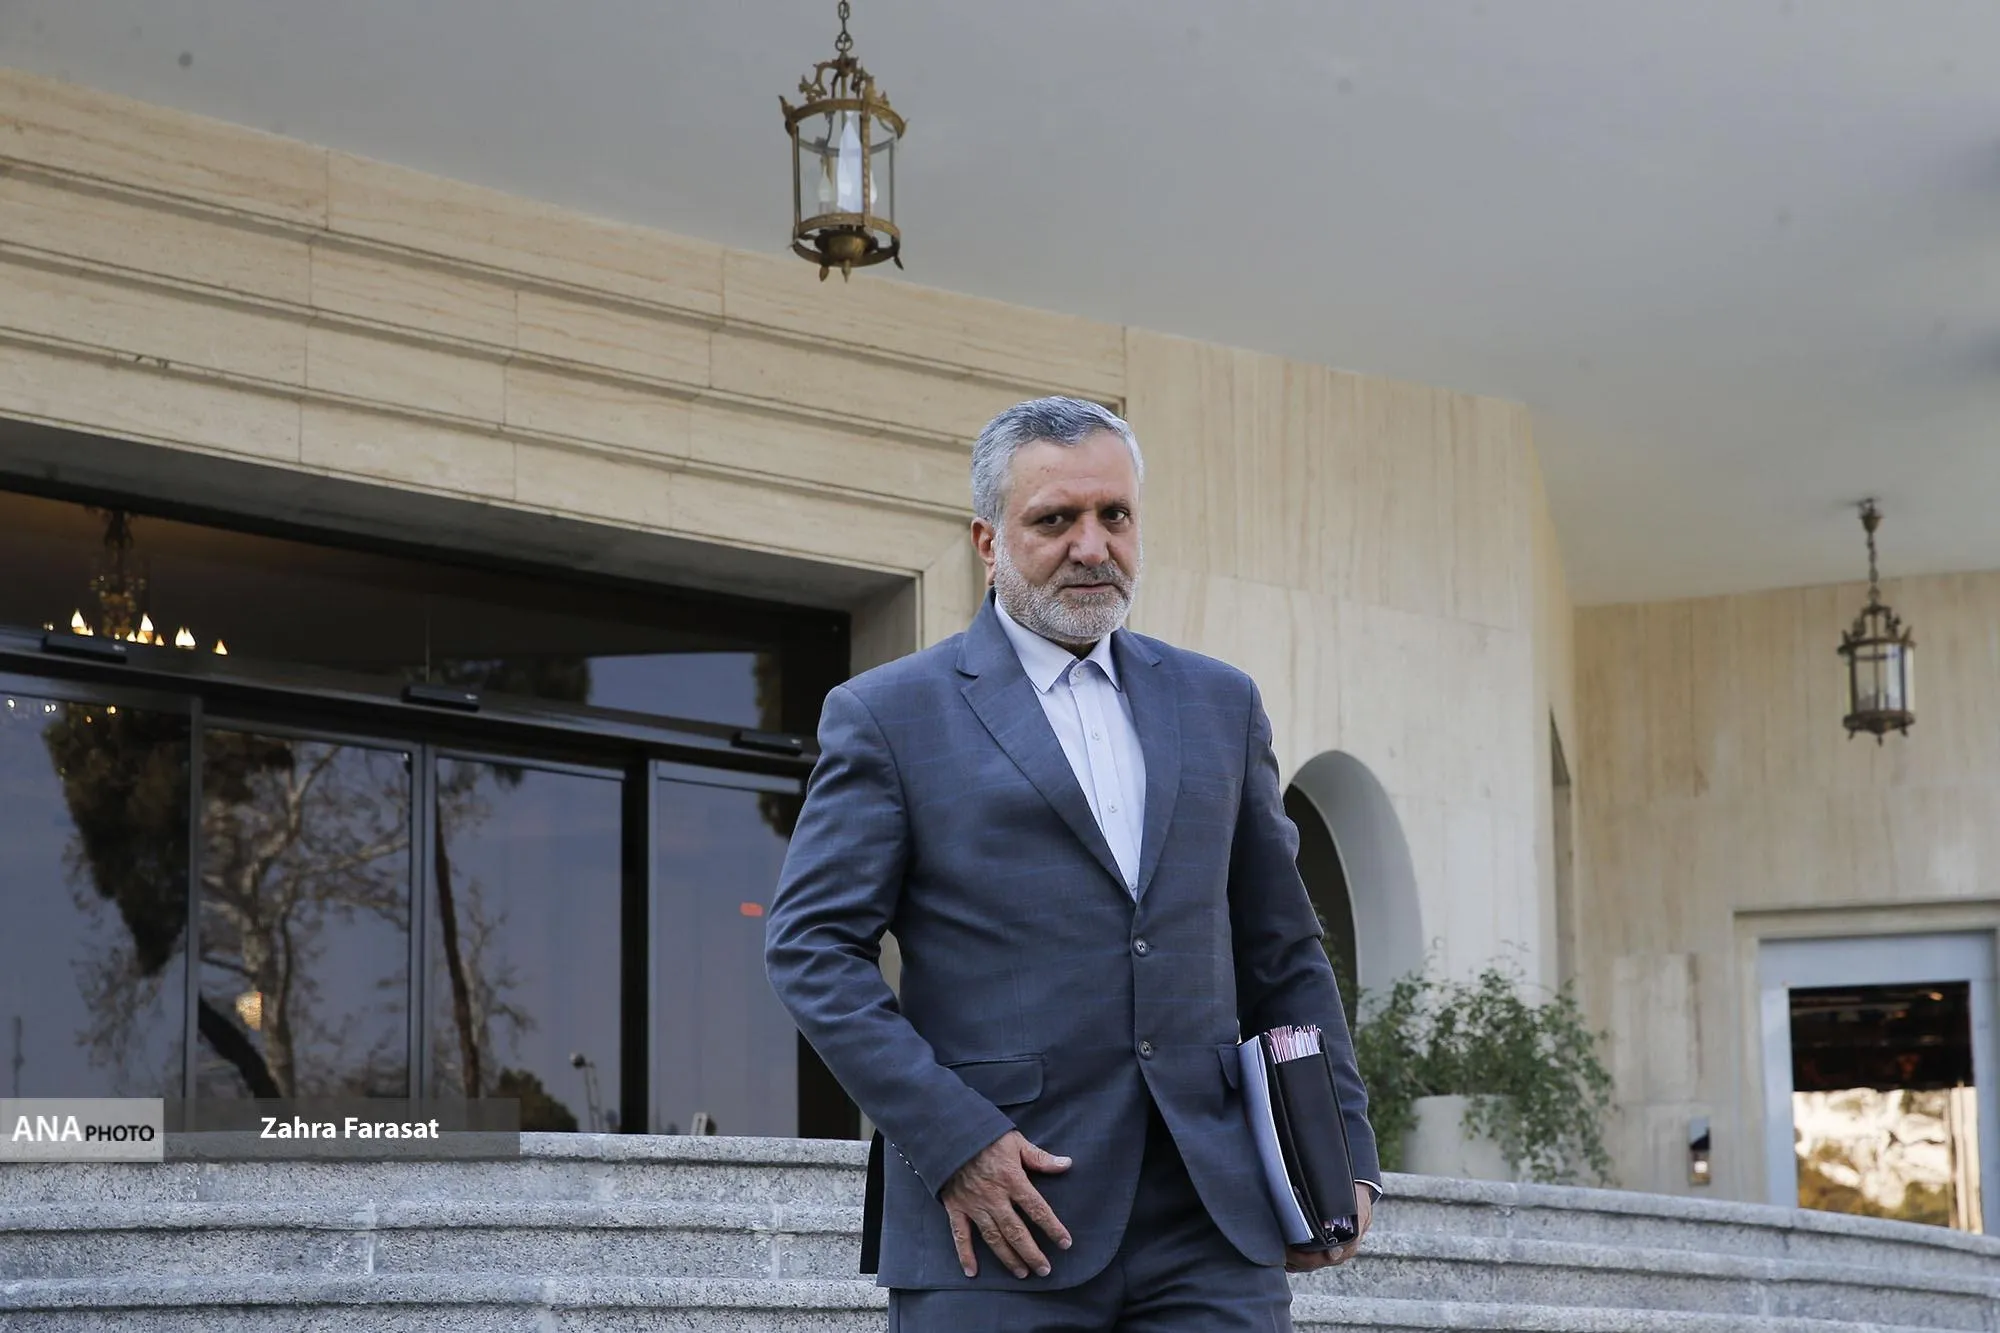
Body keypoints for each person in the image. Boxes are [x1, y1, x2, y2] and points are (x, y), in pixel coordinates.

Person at [765, 396, 1379, 1331]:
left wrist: (1344, 1149)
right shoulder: (889, 714)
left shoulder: (1220, 704)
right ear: (988, 541)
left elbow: (1283, 947)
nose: (1092, 546)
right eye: (1055, 519)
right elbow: (811, 950)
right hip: (999, 1219)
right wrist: (954, 1138)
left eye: (1114, 515)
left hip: (1212, 1221)